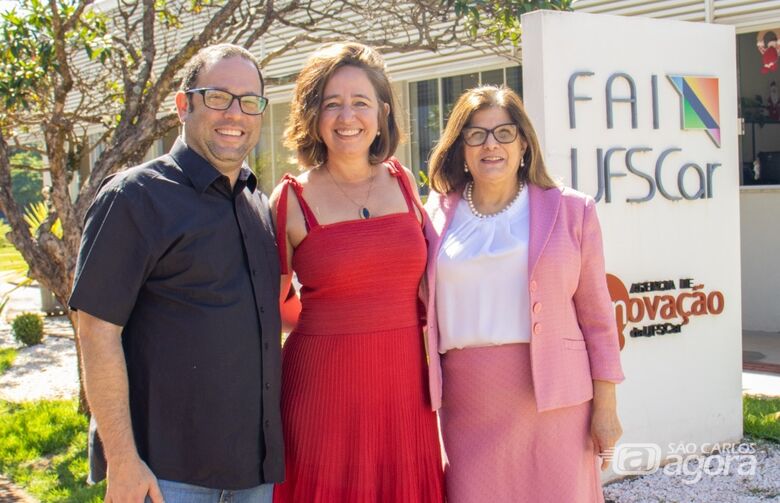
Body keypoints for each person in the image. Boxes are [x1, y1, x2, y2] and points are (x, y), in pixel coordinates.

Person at [69, 44, 283, 503]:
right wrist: (122, 460)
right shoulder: (135, 198)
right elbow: (95, 332)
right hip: (166, 477)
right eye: (218, 97)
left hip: (254, 474)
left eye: (250, 101)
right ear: (183, 105)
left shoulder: (258, 205)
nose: (236, 113)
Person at [423, 85, 625, 503]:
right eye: (475, 134)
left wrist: (606, 408)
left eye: (504, 132)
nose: (490, 144)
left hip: (555, 401)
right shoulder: (433, 216)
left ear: (525, 143)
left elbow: (598, 318)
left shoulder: (573, 210)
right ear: (460, 147)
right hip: (468, 402)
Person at [270, 42, 444, 502]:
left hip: (405, 392)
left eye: (361, 102)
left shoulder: (405, 182)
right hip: (321, 395)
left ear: (383, 112)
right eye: (332, 103)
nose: (348, 116)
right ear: (313, 114)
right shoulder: (289, 200)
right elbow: (269, 313)